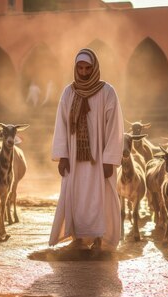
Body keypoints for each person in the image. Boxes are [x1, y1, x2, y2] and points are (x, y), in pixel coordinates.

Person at [49, 48, 124, 252]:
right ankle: (79, 238)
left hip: (99, 158)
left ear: (95, 68)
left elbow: (114, 126)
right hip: (74, 158)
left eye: (87, 67)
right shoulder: (68, 92)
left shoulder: (107, 92)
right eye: (80, 68)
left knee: (100, 196)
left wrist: (109, 158)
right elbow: (61, 125)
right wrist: (63, 156)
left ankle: (100, 238)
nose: (83, 72)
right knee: (76, 195)